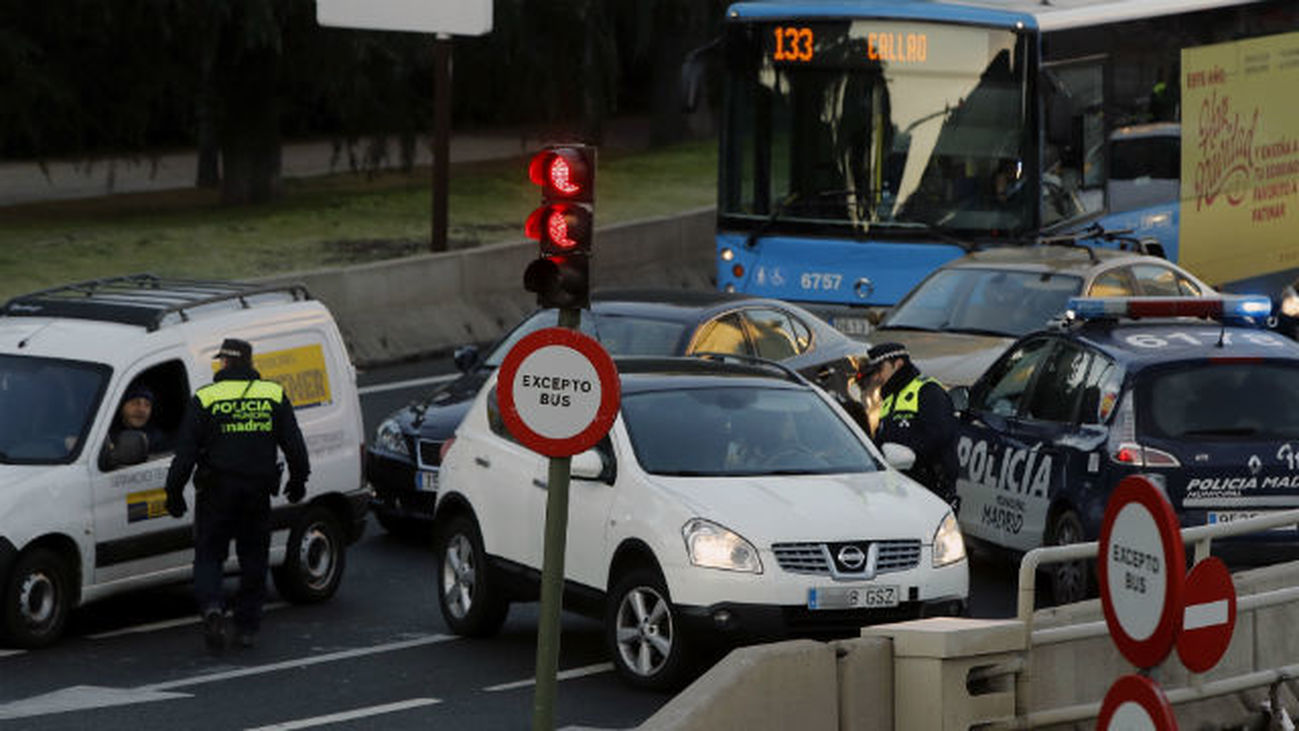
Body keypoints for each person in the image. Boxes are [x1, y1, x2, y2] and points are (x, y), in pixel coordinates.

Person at [164, 337, 310, 653]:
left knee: (209, 555)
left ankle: (213, 608)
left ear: (226, 363)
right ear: (249, 362)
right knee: (254, 558)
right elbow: (295, 447)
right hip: (257, 492)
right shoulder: (272, 394)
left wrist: (173, 493)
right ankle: (247, 627)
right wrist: (298, 482)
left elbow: (185, 455)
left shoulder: (205, 398)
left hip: (216, 492)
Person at [857, 342, 959, 507]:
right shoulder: (889, 399)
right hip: (899, 493)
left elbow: (941, 435)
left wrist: (909, 452)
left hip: (931, 493)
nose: (877, 377)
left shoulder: (928, 391)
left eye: (880, 370)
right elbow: (882, 443)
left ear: (898, 364)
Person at [100, 383, 171, 469]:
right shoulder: (104, 433)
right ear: (122, 406)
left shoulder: (158, 439)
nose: (141, 410)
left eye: (147, 405)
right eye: (135, 403)